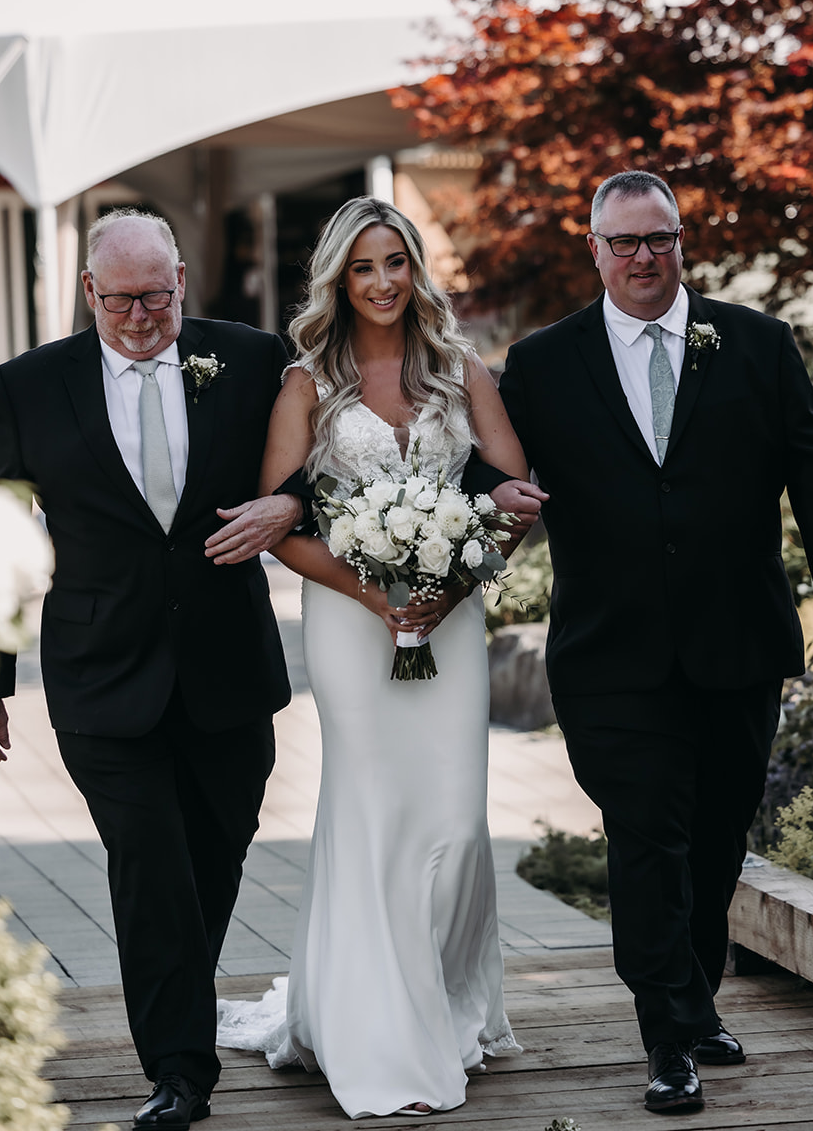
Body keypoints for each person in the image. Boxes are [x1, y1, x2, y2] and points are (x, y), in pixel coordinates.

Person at [495, 170, 813, 1116]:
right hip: (609, 652)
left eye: (657, 239)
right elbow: (487, 466)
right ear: (594, 250)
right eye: (621, 243)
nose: (641, 258)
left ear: (679, 240)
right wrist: (491, 502)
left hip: (735, 638)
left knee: (715, 836)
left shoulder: (753, 342)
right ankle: (667, 1037)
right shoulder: (541, 363)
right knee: (646, 836)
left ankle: (694, 1000)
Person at [0, 209, 302, 1131]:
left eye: (156, 296)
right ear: (89, 293)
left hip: (229, 669)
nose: (142, 316)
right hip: (101, 675)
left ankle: (179, 1021)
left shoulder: (252, 357)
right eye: (121, 301)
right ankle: (179, 1073)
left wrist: (287, 507)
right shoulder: (30, 385)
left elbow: (316, 465)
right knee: (148, 866)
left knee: (215, 855)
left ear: (182, 282)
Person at [215, 196, 529, 1119]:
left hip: (450, 615)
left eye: (395, 261)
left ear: (415, 267)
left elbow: (514, 497)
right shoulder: (306, 380)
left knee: (456, 826)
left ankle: (441, 1000)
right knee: (373, 814)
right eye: (363, 267)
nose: (383, 282)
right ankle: (376, 1027)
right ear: (338, 281)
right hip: (353, 624)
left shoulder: (459, 371)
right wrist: (374, 595)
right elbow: (277, 523)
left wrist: (454, 583)